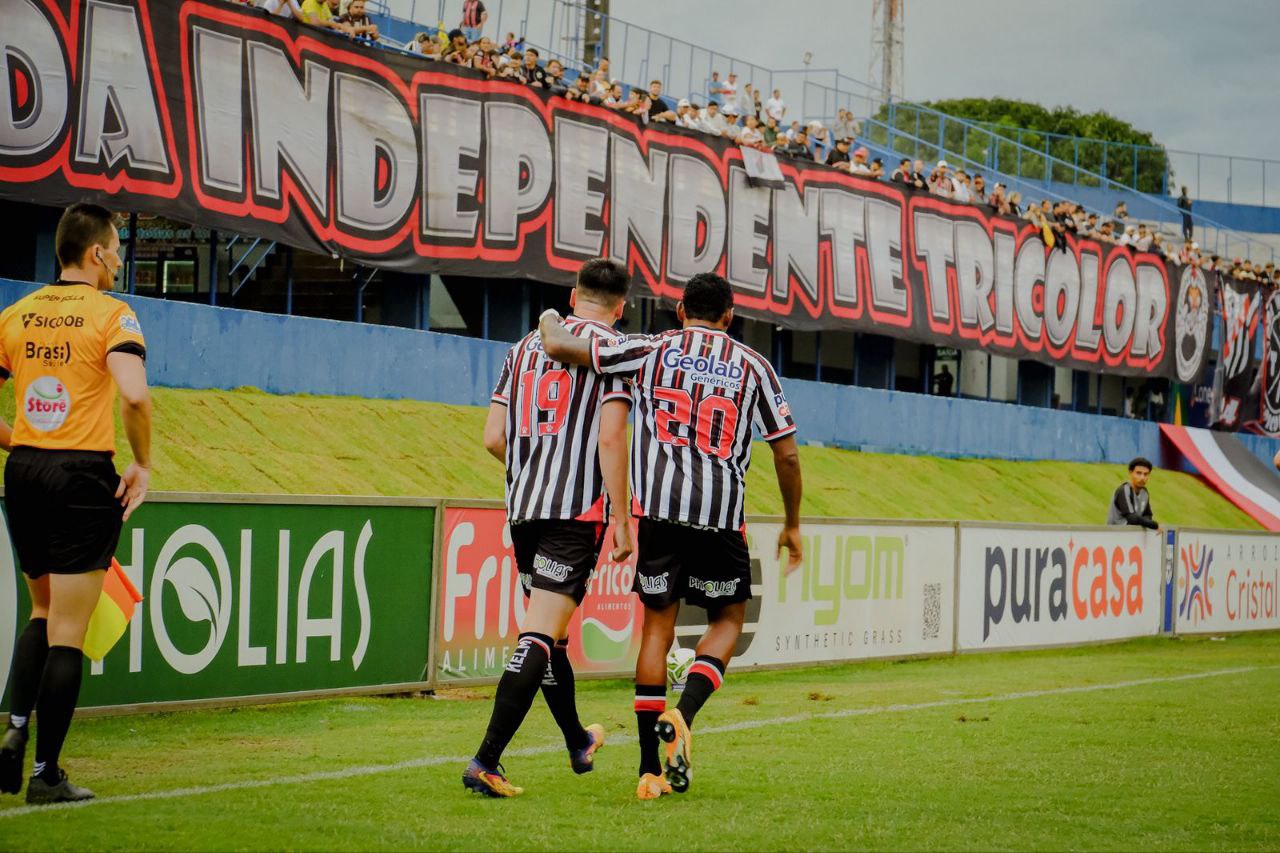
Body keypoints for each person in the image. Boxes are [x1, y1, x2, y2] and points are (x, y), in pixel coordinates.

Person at [538, 272, 804, 801]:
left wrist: (549, 316)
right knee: (727, 622)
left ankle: (647, 770)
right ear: (730, 317)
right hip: (720, 518)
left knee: (656, 632)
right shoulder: (755, 366)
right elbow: (787, 453)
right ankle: (682, 715)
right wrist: (793, 522)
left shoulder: (650, 348)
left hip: (657, 515)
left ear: (681, 311)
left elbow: (563, 346)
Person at [461, 259, 635, 798]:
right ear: (621, 307)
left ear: (573, 295)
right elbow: (611, 438)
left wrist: (534, 470)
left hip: (525, 510)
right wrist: (622, 518)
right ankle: (486, 760)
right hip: (574, 514)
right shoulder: (614, 350)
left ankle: (578, 740)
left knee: (552, 636)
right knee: (539, 634)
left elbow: (493, 437)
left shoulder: (523, 347)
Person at [0, 203, 152, 804]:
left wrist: (21, 438)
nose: (118, 260)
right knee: (69, 631)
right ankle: (46, 776)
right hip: (81, 475)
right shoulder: (113, 315)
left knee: (40, 610)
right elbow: (134, 396)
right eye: (116, 249)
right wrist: (142, 463)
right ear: (95, 252)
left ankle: (14, 732)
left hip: (25, 471)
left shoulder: (16, 314)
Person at [1107, 457, 1158, 529]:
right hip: (1115, 533)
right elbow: (1132, 518)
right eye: (1138, 473)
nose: (1142, 477)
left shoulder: (1144, 492)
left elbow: (1148, 516)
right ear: (1131, 473)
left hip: (1133, 533)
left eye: (1146, 474)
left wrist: (1146, 522)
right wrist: (1154, 525)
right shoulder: (1124, 490)